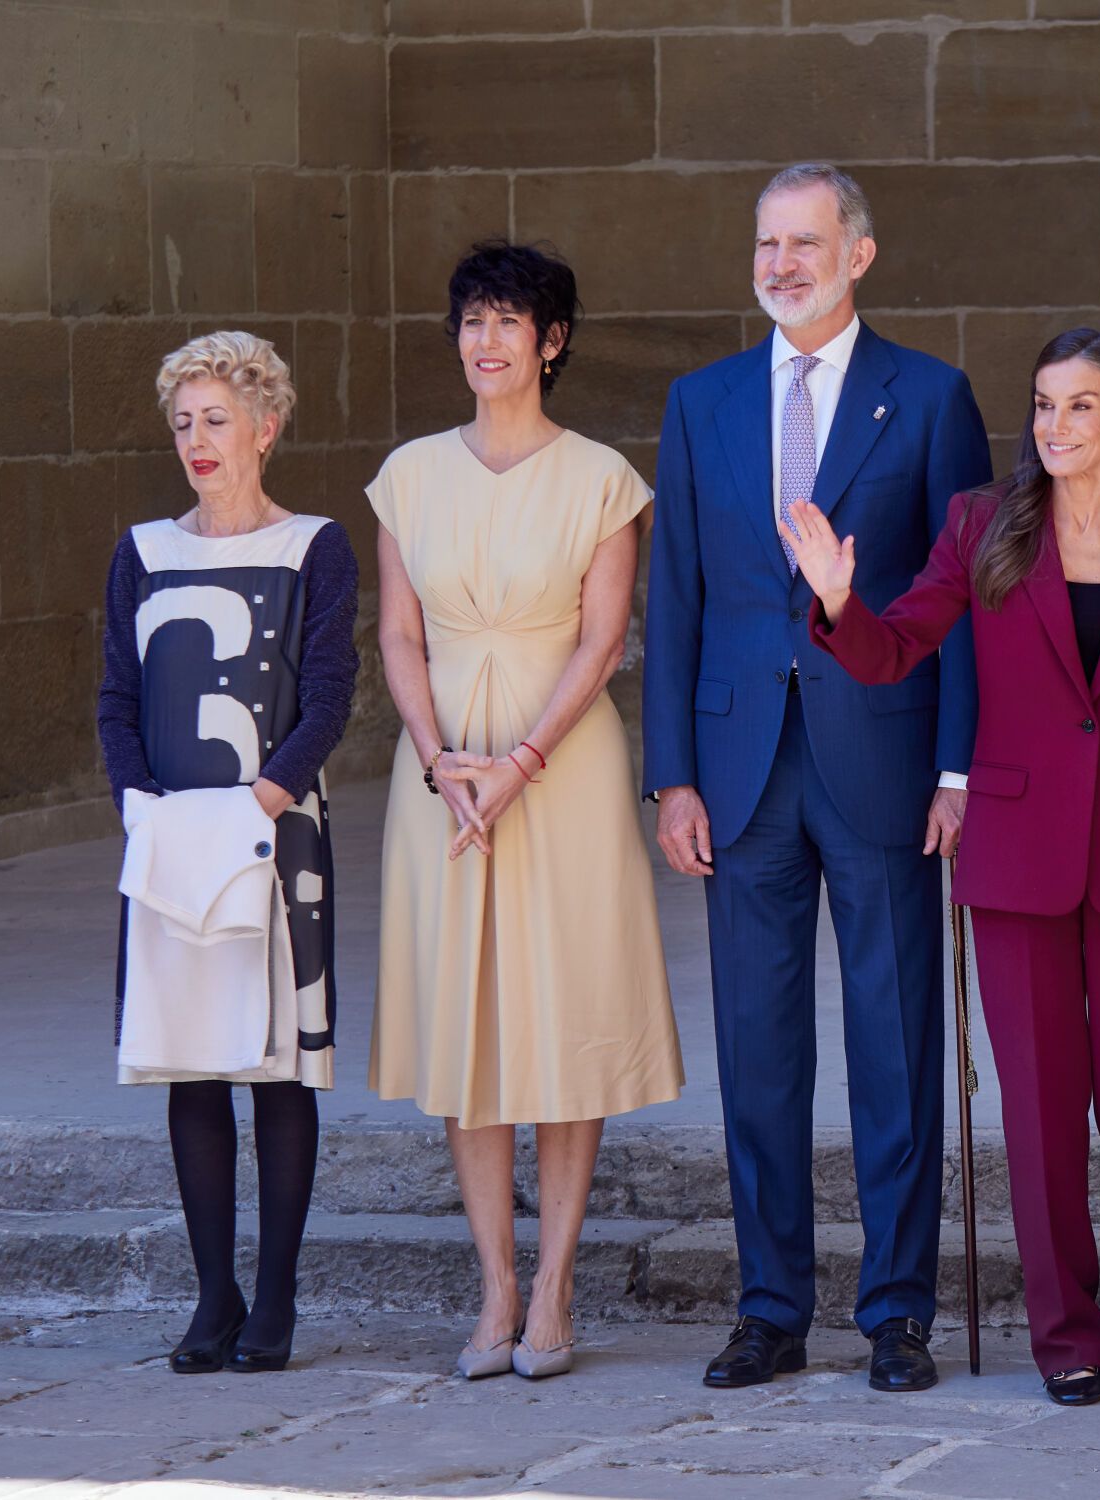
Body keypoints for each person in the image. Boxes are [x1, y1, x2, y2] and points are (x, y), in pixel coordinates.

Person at [782, 327, 1100, 1407]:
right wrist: (837, 601)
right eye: (1043, 405)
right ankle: (1066, 1336)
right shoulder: (983, 523)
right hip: (1015, 861)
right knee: (1042, 1112)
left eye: (1079, 406)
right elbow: (896, 646)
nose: (1055, 427)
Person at [642, 163, 992, 1394]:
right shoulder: (704, 402)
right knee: (757, 1048)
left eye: (804, 242)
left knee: (896, 1043)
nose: (780, 262)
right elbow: (674, 594)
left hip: (883, 759)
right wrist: (669, 776)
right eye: (764, 243)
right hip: (739, 774)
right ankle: (769, 1308)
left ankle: (896, 1312)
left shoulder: (931, 398)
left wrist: (956, 767)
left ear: (860, 254)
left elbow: (962, 602)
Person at [367, 240, 683, 1381]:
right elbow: (399, 633)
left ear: (551, 342)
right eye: (470, 323)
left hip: (561, 767)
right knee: (468, 1019)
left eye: (508, 322)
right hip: (441, 774)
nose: (485, 342)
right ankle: (494, 1286)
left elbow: (603, 640)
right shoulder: (406, 473)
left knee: (563, 1013)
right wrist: (440, 756)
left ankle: (555, 1288)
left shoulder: (602, 477)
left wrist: (519, 760)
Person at [97, 330, 357, 1374]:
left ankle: (278, 1300)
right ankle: (214, 1297)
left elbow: (331, 694)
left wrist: (264, 798)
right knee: (191, 1066)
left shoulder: (316, 548)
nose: (197, 442)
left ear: (266, 424)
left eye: (215, 420)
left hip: (275, 830)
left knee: (276, 1067)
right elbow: (117, 695)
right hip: (168, 840)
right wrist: (141, 807)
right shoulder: (142, 551)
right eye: (182, 425)